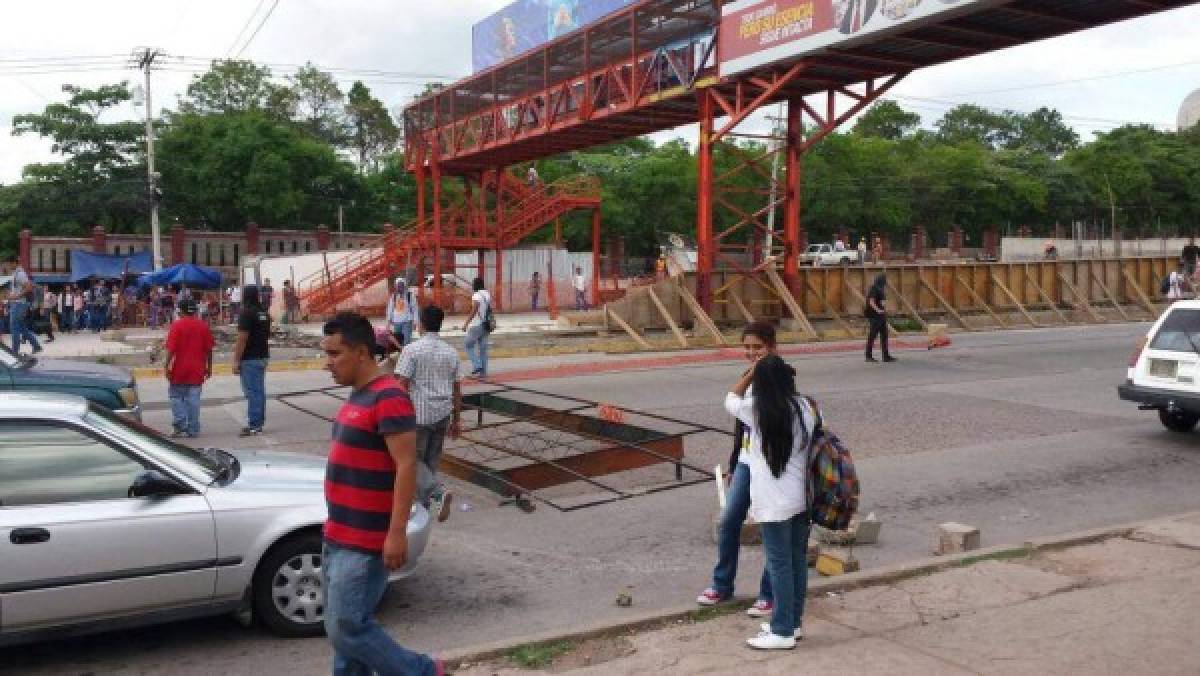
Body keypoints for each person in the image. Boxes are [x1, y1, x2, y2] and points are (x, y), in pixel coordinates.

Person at [319, 312, 444, 676]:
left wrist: (395, 534)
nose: (328, 364)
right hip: (338, 534)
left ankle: (421, 671)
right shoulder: (360, 395)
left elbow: (406, 466)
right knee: (345, 634)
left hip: (365, 542)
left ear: (361, 353)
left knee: (347, 628)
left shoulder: (389, 396)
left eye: (334, 354)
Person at [725, 354, 815, 650]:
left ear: (761, 382)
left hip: (774, 503)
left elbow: (730, 398)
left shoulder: (757, 409)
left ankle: (781, 632)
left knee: (779, 565)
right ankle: (793, 623)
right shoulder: (806, 407)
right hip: (803, 497)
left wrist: (751, 373)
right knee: (796, 562)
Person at [696, 322, 777, 617]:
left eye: (758, 347)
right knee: (730, 520)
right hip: (746, 460)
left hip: (769, 465)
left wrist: (752, 373)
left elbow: (736, 405)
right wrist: (733, 464)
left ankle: (769, 593)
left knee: (771, 526)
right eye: (748, 347)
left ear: (771, 346)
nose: (752, 352)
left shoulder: (776, 375)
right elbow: (741, 427)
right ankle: (722, 585)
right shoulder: (751, 376)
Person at [395, 305, 461, 523]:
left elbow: (401, 385)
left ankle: (438, 493)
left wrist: (399, 414)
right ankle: (423, 509)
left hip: (419, 414)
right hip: (443, 413)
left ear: (421, 323)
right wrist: (457, 419)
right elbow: (457, 388)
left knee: (412, 461)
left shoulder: (411, 350)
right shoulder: (450, 352)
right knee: (430, 463)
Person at [165, 298, 214, 438]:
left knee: (176, 397)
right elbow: (209, 350)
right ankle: (193, 429)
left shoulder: (177, 326)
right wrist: (209, 367)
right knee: (194, 401)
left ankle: (180, 426)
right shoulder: (203, 326)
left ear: (180, 311)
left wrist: (166, 366)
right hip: (197, 370)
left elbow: (171, 349)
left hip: (179, 370)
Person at [233, 285, 271, 436]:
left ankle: (255, 425)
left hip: (250, 358)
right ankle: (258, 422)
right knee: (259, 392)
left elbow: (242, 339)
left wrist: (236, 360)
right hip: (262, 355)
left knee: (253, 392)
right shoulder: (263, 313)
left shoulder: (246, 313)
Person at [7, 264, 42, 355]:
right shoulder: (16, 273)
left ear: (13, 262)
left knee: (14, 327)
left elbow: (29, 287)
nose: (7, 265)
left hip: (19, 303)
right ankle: (36, 346)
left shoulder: (20, 274)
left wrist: (16, 296)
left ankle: (15, 352)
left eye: (8, 263)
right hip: (18, 303)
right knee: (21, 328)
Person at [462, 277, 492, 379]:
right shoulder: (487, 294)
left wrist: (466, 323)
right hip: (486, 325)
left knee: (467, 345)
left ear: (475, 285)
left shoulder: (476, 295)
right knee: (483, 349)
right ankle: (483, 373)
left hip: (476, 325)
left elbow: (474, 310)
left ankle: (477, 365)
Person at [865, 273, 896, 363]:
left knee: (884, 335)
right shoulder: (874, 289)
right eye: (885, 280)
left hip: (881, 315)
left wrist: (883, 309)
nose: (887, 282)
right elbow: (871, 301)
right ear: (882, 280)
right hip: (874, 316)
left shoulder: (881, 289)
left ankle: (885, 356)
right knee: (872, 335)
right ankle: (868, 356)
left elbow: (881, 302)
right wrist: (878, 310)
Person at [387, 278, 417, 348]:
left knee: (407, 340)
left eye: (401, 286)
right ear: (396, 287)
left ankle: (407, 354)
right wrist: (388, 322)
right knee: (398, 340)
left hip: (407, 321)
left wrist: (415, 322)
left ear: (404, 286)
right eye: (398, 286)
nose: (399, 287)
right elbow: (390, 309)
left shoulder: (410, 296)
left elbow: (415, 309)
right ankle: (401, 354)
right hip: (396, 322)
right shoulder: (393, 296)